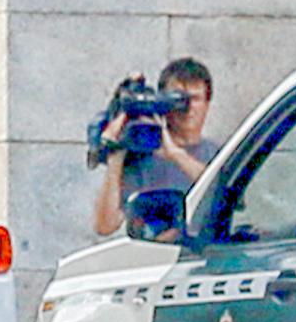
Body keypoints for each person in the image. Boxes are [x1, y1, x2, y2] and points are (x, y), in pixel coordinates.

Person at [89, 57, 216, 242]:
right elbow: (104, 226)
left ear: (207, 103)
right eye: (178, 99)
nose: (187, 108)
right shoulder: (143, 159)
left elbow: (224, 190)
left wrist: (175, 155)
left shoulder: (217, 155)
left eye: (195, 99)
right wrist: (115, 156)